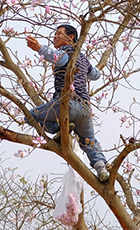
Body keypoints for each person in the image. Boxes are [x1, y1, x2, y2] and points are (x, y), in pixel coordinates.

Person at [26, 24, 109, 183]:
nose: (55, 37)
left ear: (71, 37)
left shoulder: (66, 52)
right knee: (89, 140)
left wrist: (39, 48)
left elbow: (60, 58)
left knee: (30, 116)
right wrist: (97, 68)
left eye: (59, 34)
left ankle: (59, 128)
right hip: (85, 108)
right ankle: (101, 168)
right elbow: (95, 75)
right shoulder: (83, 59)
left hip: (67, 103)